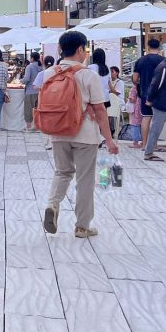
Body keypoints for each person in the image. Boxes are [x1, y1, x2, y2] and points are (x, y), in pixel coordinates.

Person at [41, 30, 120, 239]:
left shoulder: (50, 73)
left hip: (58, 131)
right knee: (84, 179)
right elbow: (100, 111)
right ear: (79, 49)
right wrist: (109, 139)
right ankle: (82, 226)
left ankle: (52, 204)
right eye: (85, 49)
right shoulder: (88, 75)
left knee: (62, 171)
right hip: (84, 133)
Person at [132, 38, 165, 123]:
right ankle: (155, 137)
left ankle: (145, 137)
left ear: (148, 47)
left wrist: (142, 81)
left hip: (145, 94)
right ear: (159, 47)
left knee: (146, 118)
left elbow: (135, 79)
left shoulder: (141, 60)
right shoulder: (164, 60)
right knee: (159, 120)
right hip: (160, 94)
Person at [22, 51, 43, 131]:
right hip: (39, 91)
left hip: (30, 90)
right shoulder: (41, 67)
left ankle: (29, 127)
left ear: (32, 58)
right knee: (37, 109)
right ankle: (37, 126)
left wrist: (21, 80)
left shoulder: (29, 67)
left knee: (28, 109)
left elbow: (26, 79)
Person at [107, 66, 125, 137]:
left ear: (117, 73)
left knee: (110, 109)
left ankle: (113, 130)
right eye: (110, 72)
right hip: (110, 102)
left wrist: (109, 84)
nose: (111, 74)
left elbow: (116, 93)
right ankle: (108, 129)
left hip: (118, 102)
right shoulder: (110, 82)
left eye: (112, 72)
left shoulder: (120, 82)